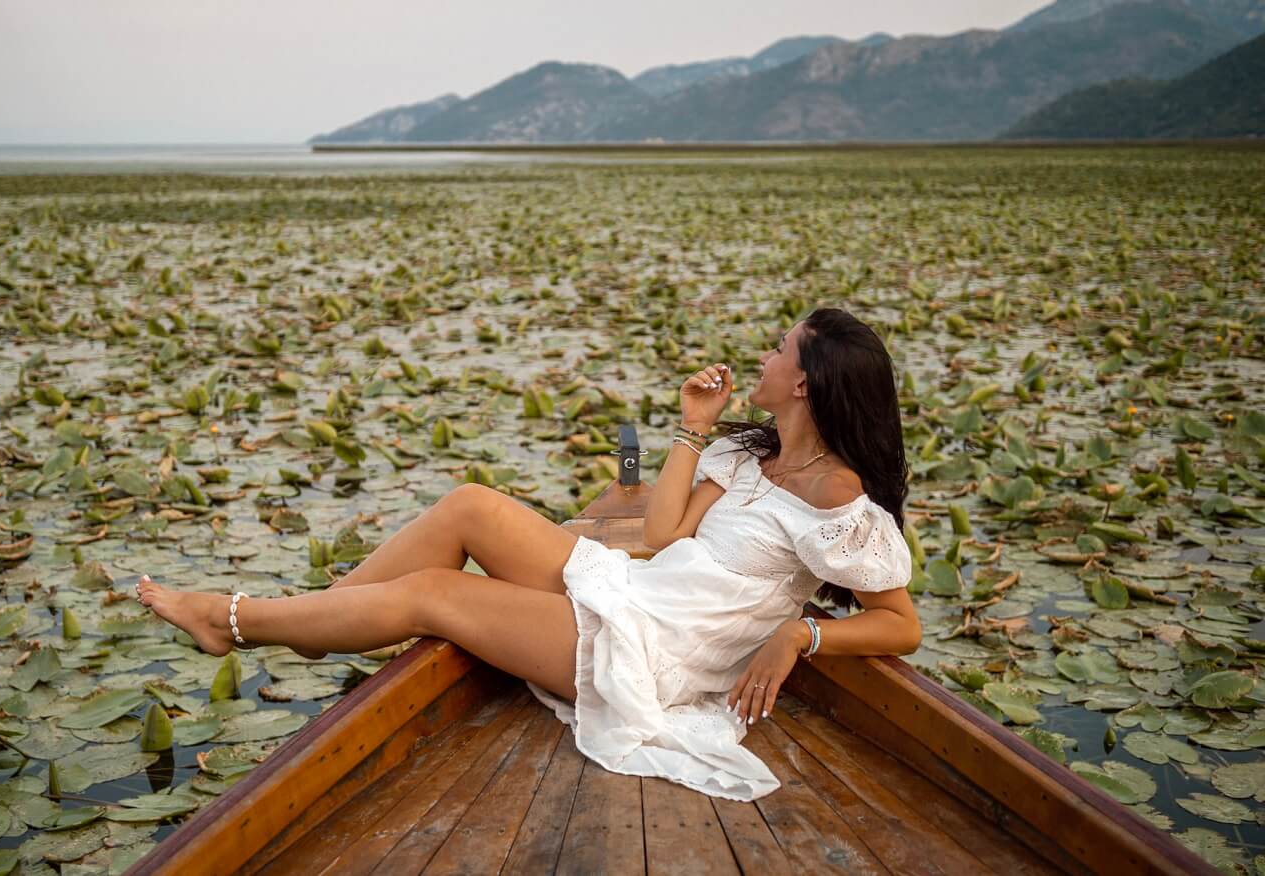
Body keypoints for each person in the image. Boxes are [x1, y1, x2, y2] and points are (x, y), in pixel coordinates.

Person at [135, 305, 921, 802]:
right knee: (471, 506)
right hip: (639, 586)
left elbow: (899, 624)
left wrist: (801, 633)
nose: (764, 357)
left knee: (435, 594)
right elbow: (659, 534)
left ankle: (231, 621)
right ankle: (322, 613)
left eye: (781, 350)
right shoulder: (751, 456)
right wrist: (694, 421)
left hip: (659, 648)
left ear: (806, 385)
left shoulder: (838, 498)